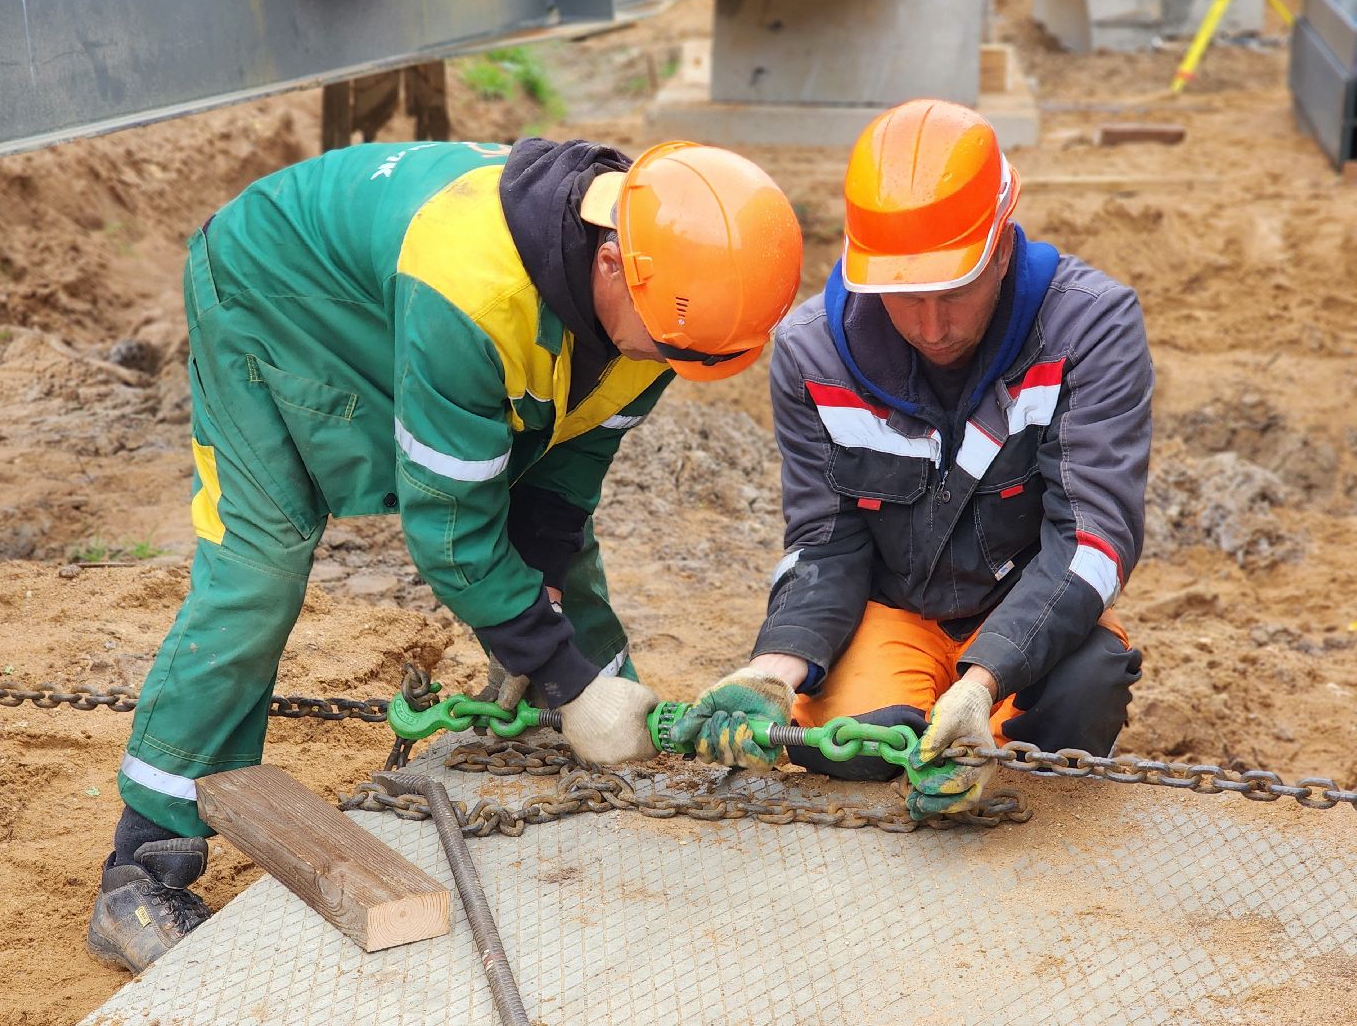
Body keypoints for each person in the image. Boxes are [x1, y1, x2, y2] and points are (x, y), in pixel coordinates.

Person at [87, 137, 803, 973]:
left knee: (561, 556)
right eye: (668, 347)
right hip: (273, 284)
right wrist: (569, 682)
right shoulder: (475, 286)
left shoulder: (672, 308)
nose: (671, 366)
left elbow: (559, 488)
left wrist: (554, 658)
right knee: (262, 566)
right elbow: (451, 531)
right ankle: (144, 863)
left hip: (390, 289)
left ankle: (590, 715)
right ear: (611, 263)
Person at [675, 99, 1151, 819]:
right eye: (904, 296)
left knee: (1083, 695)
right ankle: (889, 710)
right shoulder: (814, 353)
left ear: (999, 244)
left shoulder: (1090, 328)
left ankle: (989, 732)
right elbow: (823, 543)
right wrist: (773, 669)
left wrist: (987, 679)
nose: (932, 327)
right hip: (890, 611)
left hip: (1019, 611)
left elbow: (1092, 541)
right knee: (861, 750)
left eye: (953, 290)